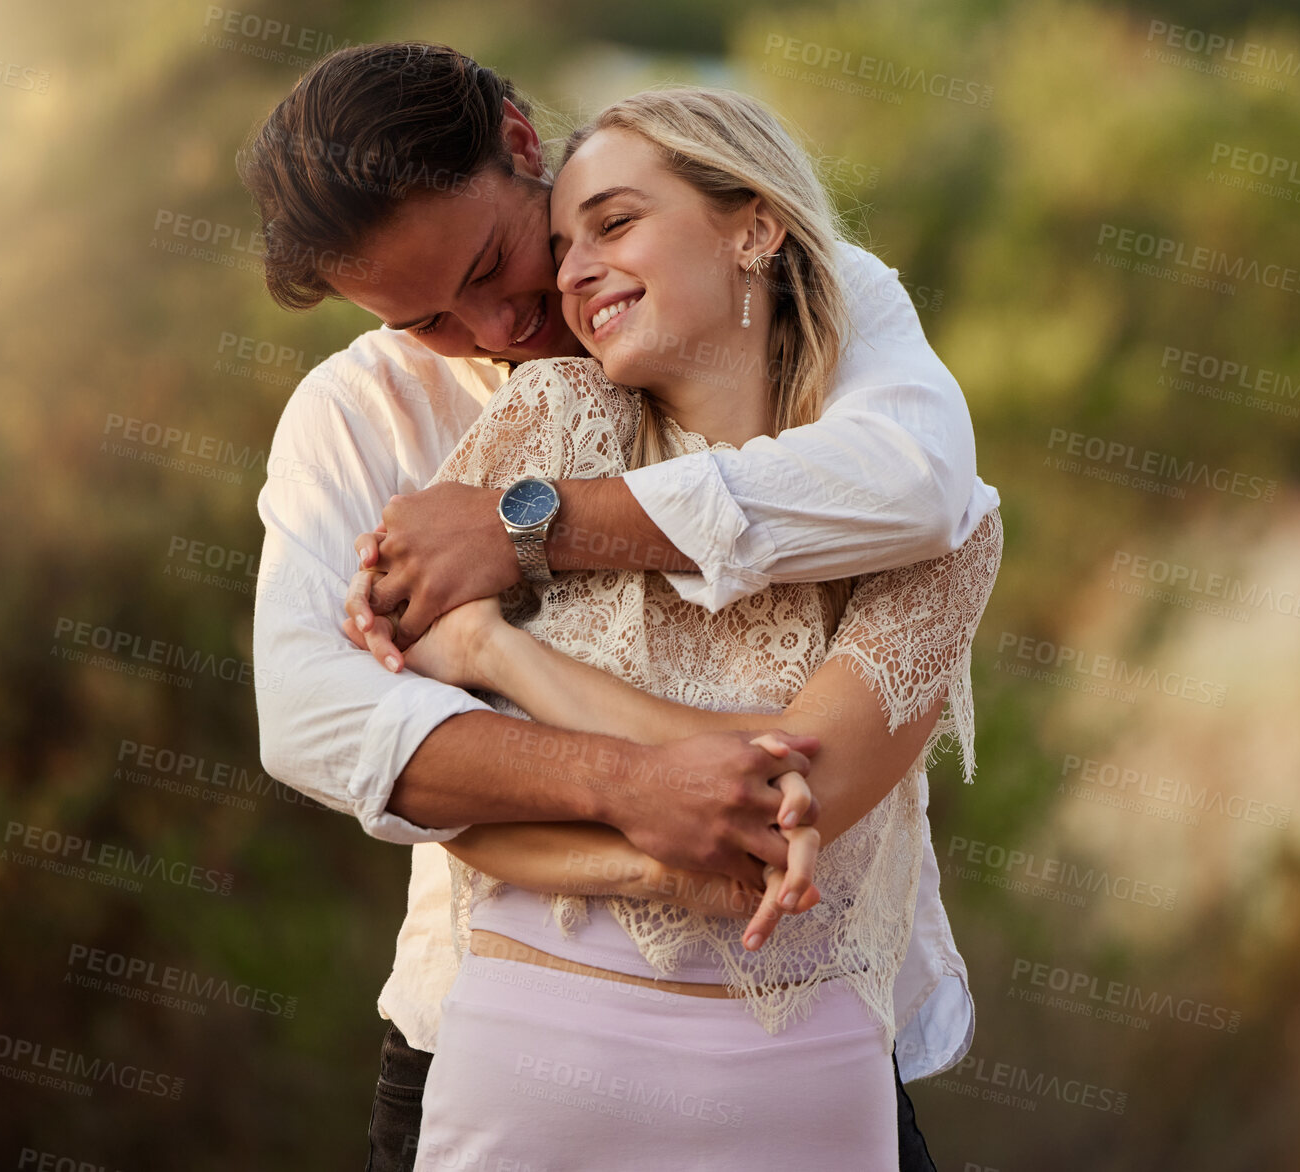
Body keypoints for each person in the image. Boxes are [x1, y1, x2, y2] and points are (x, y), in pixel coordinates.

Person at [237, 42, 1000, 1171]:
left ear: (517, 142)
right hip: (488, 1049)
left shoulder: (824, 307)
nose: (495, 328)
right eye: (429, 319)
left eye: (495, 263)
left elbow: (919, 488)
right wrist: (637, 798)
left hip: (805, 1044)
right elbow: (309, 715)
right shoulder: (358, 413)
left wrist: (518, 528)